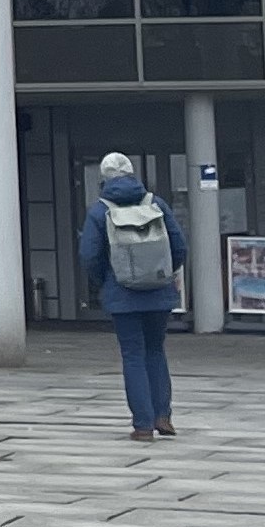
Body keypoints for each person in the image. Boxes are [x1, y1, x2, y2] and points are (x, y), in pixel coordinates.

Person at [78, 152, 189, 442]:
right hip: (159, 292)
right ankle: (163, 415)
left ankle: (142, 425)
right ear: (132, 173)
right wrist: (164, 273)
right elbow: (179, 246)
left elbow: (89, 255)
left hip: (122, 294)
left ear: (104, 178)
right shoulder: (156, 203)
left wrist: (107, 280)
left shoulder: (99, 210)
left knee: (133, 355)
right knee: (155, 350)